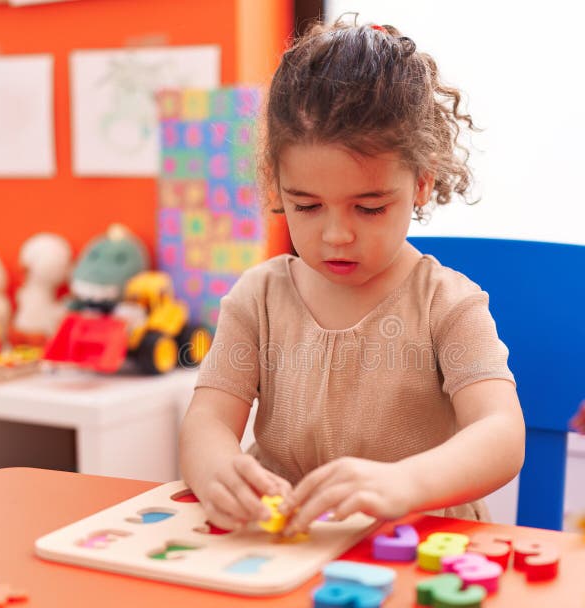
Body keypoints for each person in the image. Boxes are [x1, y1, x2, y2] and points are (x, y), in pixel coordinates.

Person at [179, 18, 525, 536]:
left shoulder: (447, 304)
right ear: (277, 185)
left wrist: (403, 484)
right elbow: (206, 422)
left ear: (422, 183)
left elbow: (501, 434)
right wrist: (215, 471)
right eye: (308, 205)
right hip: (286, 544)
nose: (336, 235)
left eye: (368, 208)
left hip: (413, 540)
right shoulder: (259, 298)